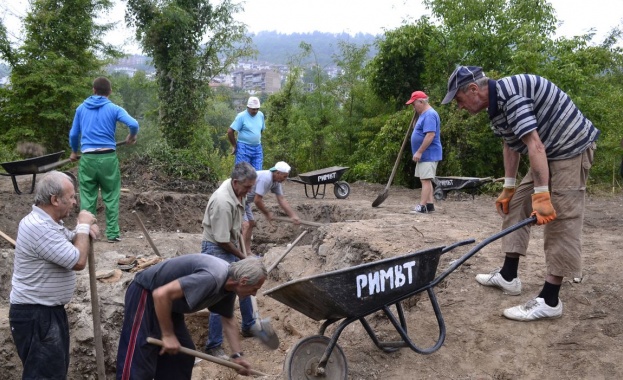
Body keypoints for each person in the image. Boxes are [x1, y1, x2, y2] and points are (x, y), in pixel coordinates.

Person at [441, 66, 600, 321]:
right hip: (546, 151)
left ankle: (550, 300)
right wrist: (509, 186)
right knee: (515, 204)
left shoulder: (511, 97)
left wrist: (542, 195)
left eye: (459, 100)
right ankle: (509, 276)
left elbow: (534, 144)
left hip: (571, 148)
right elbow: (510, 144)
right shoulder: (494, 106)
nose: (459, 107)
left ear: (473, 89)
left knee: (559, 219)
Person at [116, 254, 267, 379]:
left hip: (170, 306)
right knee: (138, 361)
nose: (254, 294)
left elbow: (228, 319)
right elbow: (160, 294)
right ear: (244, 281)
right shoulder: (212, 277)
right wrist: (168, 335)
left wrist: (237, 356)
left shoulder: (229, 287)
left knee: (181, 358)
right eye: (255, 289)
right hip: (146, 294)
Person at [9, 171, 99, 379]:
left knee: (53, 372)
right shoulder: (38, 227)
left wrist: (83, 233)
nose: (75, 202)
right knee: (44, 375)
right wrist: (84, 225)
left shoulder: (50, 225)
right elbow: (77, 260)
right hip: (36, 314)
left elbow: (72, 241)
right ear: (55, 199)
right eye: (71, 197)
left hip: (47, 312)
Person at [69, 76, 139, 243]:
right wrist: (131, 136)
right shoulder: (114, 108)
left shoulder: (81, 109)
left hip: (88, 158)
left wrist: (73, 151)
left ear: (93, 91)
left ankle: (86, 234)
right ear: (110, 92)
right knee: (111, 196)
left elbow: (73, 134)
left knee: (87, 196)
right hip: (108, 158)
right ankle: (113, 234)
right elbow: (134, 124)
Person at [201, 162, 258, 359]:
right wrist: (244, 258)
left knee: (246, 283)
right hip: (217, 248)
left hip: (230, 242)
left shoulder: (237, 191)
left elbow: (238, 225)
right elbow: (222, 240)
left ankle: (249, 326)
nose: (250, 191)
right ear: (235, 182)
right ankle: (213, 345)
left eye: (251, 186)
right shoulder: (223, 202)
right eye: (247, 187)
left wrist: (245, 254)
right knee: (221, 296)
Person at [242, 161, 300, 253]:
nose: (285, 179)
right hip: (239, 199)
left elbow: (281, 199)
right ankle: (240, 254)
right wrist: (267, 213)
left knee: (251, 223)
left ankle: (247, 252)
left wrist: (293, 216)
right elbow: (257, 200)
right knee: (245, 225)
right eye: (284, 176)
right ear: (278, 173)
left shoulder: (276, 182)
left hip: (246, 202)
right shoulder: (266, 178)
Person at [405, 91, 442, 214]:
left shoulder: (430, 114)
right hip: (425, 154)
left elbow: (430, 135)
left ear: (421, 102)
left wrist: (419, 151)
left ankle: (422, 206)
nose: (413, 107)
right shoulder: (423, 114)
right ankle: (429, 205)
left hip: (429, 153)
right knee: (425, 179)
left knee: (425, 180)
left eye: (413, 104)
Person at [227, 96, 265, 170]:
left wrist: (255, 138)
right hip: (243, 148)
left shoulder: (260, 115)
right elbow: (230, 131)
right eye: (253, 109)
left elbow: (261, 130)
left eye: (257, 109)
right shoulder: (241, 116)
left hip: (257, 148)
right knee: (242, 172)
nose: (255, 111)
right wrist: (234, 145)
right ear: (248, 107)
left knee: (257, 172)